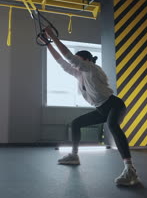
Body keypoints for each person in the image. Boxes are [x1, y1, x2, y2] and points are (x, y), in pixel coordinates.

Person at [41, 27, 139, 186]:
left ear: (85, 60)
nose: (74, 65)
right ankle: (74, 156)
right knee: (76, 123)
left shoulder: (92, 68)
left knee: (113, 126)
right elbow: (61, 61)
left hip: (115, 105)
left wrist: (52, 35)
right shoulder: (79, 74)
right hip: (101, 108)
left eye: (77, 60)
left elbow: (68, 57)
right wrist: (48, 43)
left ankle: (130, 169)